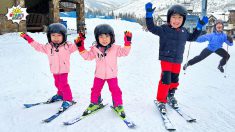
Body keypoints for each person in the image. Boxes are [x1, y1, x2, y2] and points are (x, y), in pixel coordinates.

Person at [145, 2, 208, 114]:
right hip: (166, 59)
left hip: (177, 60)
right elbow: (151, 28)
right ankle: (161, 100)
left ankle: (170, 95)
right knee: (166, 80)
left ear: (183, 20)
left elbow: (193, 37)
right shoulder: (164, 29)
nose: (176, 20)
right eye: (174, 17)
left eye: (180, 18)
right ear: (169, 18)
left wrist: (199, 27)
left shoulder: (184, 31)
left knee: (174, 79)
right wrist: (149, 15)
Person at [74, 24, 132, 118]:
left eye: (107, 36)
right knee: (95, 90)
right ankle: (95, 103)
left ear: (111, 37)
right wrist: (81, 48)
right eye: (101, 36)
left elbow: (125, 52)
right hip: (99, 75)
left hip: (112, 75)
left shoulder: (115, 48)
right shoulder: (95, 49)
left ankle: (118, 105)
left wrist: (127, 43)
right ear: (97, 38)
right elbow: (88, 57)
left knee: (115, 90)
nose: (104, 39)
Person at [20, 23, 77, 111]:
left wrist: (80, 39)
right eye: (53, 35)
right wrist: (29, 39)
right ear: (49, 36)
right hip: (54, 70)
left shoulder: (67, 46)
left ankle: (68, 99)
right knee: (57, 83)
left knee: (63, 84)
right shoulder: (48, 47)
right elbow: (38, 47)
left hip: (64, 70)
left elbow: (76, 46)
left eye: (59, 35)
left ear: (64, 36)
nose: (56, 38)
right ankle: (60, 94)